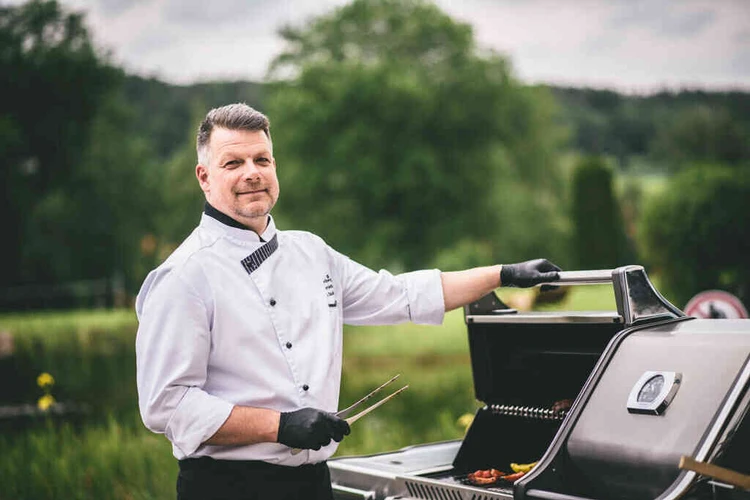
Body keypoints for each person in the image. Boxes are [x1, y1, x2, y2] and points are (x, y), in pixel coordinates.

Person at [135, 103, 561, 500]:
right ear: (204, 177)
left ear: (274, 166)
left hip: (313, 483)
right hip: (226, 487)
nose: (252, 173)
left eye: (261, 160)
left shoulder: (311, 252)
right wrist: (279, 426)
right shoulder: (184, 275)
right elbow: (167, 405)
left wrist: (502, 274)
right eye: (233, 163)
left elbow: (401, 295)